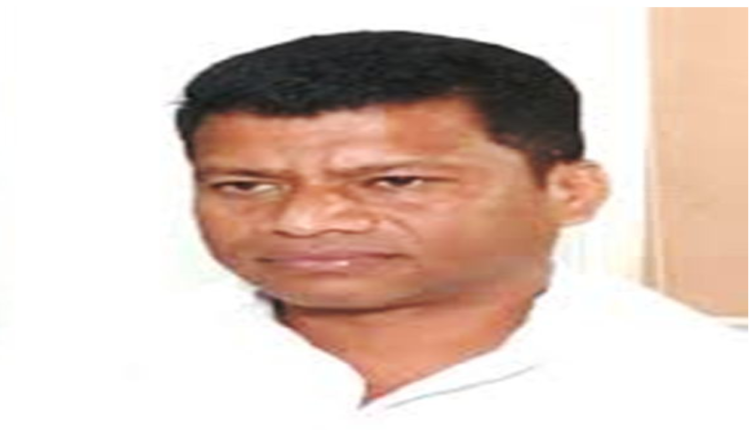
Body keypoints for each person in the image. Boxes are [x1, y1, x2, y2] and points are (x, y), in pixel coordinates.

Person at [1, 30, 746, 429]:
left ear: (571, 191)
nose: (302, 221)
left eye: (393, 182)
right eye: (245, 186)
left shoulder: (703, 388)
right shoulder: (72, 381)